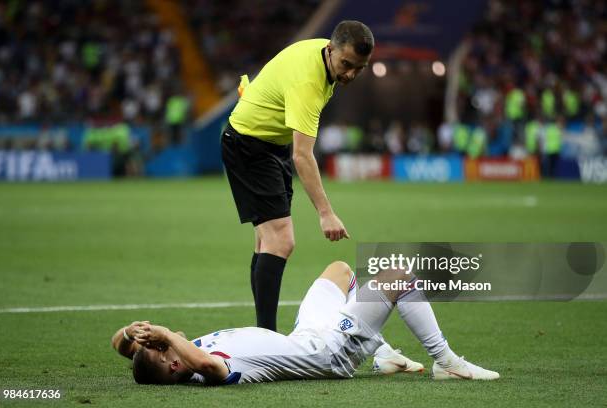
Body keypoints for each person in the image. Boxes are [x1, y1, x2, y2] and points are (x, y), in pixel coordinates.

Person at [112, 261, 499, 385]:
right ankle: (445, 361)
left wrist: (133, 335)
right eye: (159, 349)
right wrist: (164, 336)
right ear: (174, 363)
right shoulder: (204, 367)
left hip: (304, 335)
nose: (158, 341)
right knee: (397, 277)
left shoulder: (181, 352)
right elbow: (207, 366)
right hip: (328, 352)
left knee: (340, 271)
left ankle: (382, 351)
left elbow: (120, 346)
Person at [220, 21, 373, 332]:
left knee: (267, 240)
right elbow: (302, 155)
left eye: (359, 68)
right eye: (346, 64)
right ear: (331, 50)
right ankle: (267, 338)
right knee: (281, 240)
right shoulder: (310, 83)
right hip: (250, 145)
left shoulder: (323, 52)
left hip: (268, 142)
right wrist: (326, 214)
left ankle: (263, 334)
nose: (350, 74)